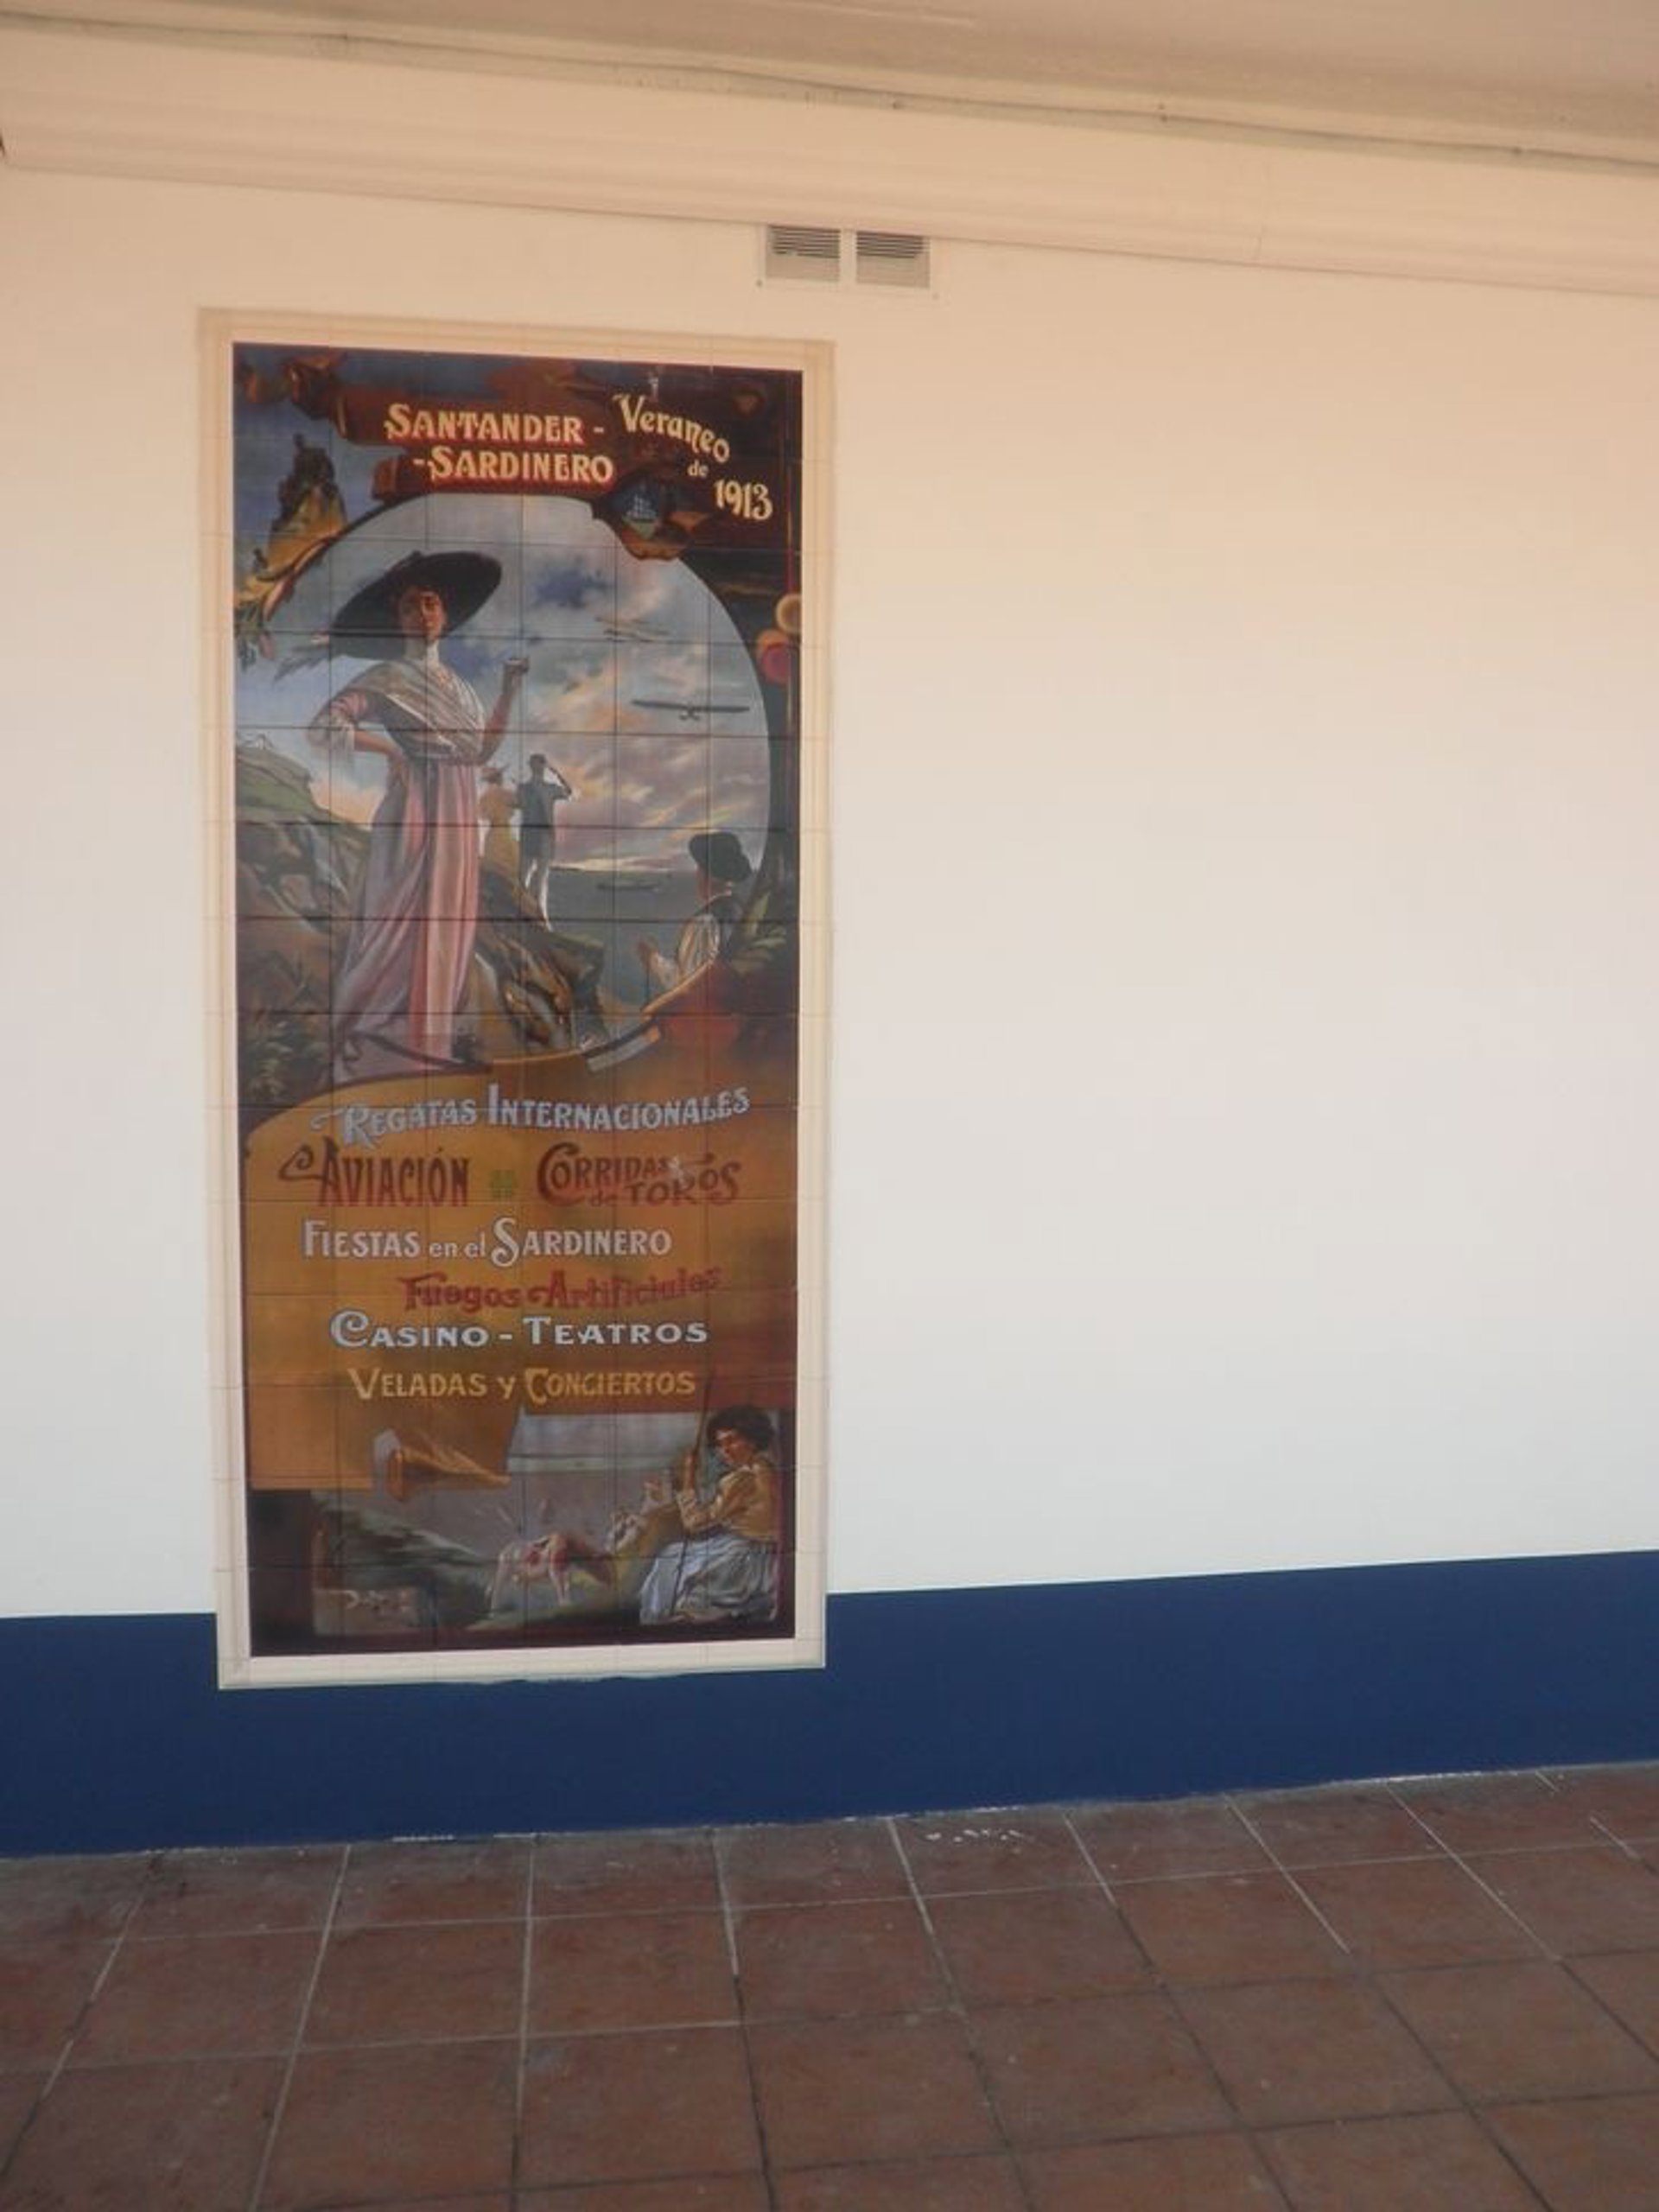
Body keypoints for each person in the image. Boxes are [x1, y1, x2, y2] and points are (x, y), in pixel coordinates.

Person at [308, 550, 527, 1081]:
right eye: (411, 606)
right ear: (399, 618)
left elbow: (478, 751)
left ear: (444, 614)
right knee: (396, 925)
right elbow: (324, 724)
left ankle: (431, 1048)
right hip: (413, 809)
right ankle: (375, 1051)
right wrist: (390, 750)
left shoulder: (463, 689)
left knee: (449, 925)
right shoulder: (388, 676)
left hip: (458, 815)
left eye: (431, 604)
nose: (422, 614)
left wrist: (508, 691)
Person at [637, 1405, 781, 1625]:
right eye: (721, 1445)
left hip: (745, 1559)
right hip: (763, 1554)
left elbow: (693, 1524)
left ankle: (657, 1623)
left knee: (670, 1558)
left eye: (732, 1440)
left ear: (751, 1440)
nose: (726, 1451)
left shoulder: (742, 1480)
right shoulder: (768, 1468)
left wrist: (688, 1474)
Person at [637, 830, 752, 1000]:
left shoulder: (705, 922)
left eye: (699, 869)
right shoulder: (741, 910)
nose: (696, 875)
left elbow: (687, 985)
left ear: (709, 876)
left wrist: (652, 959)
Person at [517, 753, 575, 921]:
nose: (538, 766)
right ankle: (531, 913)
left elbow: (569, 793)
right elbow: (569, 792)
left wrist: (557, 774)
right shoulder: (528, 788)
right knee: (530, 878)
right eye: (537, 763)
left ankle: (535, 915)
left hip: (540, 836)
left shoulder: (541, 788)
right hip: (535, 835)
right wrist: (557, 774)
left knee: (535, 879)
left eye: (540, 763)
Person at [478, 765, 518, 880]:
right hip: (503, 833)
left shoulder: (485, 796)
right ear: (498, 778)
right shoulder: (504, 793)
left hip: (492, 834)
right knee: (509, 865)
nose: (503, 778)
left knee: (494, 866)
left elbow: (481, 814)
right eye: (501, 776)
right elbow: (519, 802)